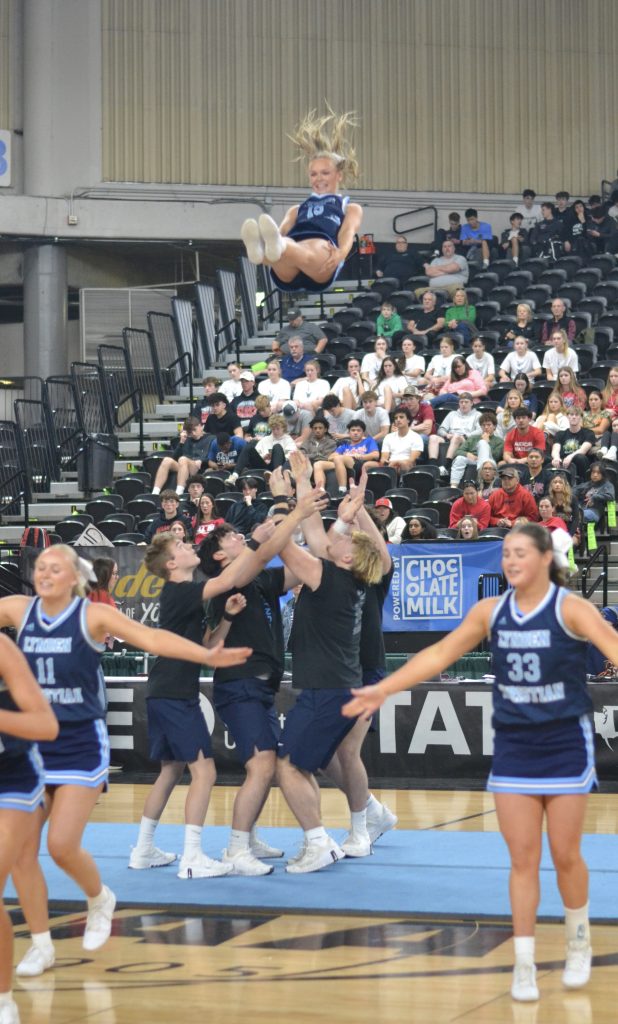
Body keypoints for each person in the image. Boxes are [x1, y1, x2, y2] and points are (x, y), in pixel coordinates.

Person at [343, 521, 616, 1002]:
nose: (510, 560)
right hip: (513, 746)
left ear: (545, 559)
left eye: (520, 553)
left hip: (564, 746)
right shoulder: (491, 611)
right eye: (506, 553)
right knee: (522, 859)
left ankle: (578, 940)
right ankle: (524, 962)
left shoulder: (572, 609)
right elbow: (438, 654)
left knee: (565, 854)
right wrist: (384, 688)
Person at [4, 545, 251, 980]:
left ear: (74, 578)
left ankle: (100, 898)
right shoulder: (18, 610)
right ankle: (41, 945)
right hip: (32, 746)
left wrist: (206, 655)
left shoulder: (93, 616)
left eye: (55, 568)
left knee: (61, 846)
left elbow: (153, 639)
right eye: (40, 567)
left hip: (79, 744)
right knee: (23, 851)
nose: (44, 573)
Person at [129, 493, 325, 882]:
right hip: (177, 691)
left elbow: (207, 646)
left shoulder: (189, 595)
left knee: (171, 771)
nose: (188, 544)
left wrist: (230, 618)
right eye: (181, 546)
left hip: (169, 688)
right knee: (205, 773)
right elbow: (232, 577)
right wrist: (264, 535)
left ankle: (143, 848)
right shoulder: (185, 590)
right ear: (172, 564)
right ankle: (194, 856)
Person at [198, 482, 324, 876]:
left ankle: (248, 838)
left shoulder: (258, 580)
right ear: (219, 555)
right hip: (240, 684)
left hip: (261, 686)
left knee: (267, 764)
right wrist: (293, 513)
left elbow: (299, 566)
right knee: (262, 765)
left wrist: (313, 526)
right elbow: (264, 552)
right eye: (231, 537)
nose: (240, 537)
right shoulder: (229, 582)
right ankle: (236, 849)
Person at [275, 489, 383, 873]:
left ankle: (323, 841)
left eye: (346, 540)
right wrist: (313, 495)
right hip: (338, 686)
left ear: (348, 557)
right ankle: (320, 839)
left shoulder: (327, 575)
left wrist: (283, 506)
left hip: (328, 689)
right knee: (304, 766)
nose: (339, 538)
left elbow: (285, 546)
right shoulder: (348, 577)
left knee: (290, 766)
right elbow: (323, 542)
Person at [0, 635, 59, 1024]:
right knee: (24, 860)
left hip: (12, 778)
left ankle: (4, 1000)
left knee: (26, 859)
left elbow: (45, 725)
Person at [241, 108, 363, 293]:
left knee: (305, 247)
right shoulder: (297, 210)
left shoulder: (349, 207)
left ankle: (274, 249)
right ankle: (260, 252)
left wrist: (341, 253)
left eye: (325, 173)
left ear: (339, 175)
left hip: (321, 259)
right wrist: (271, 243)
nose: (318, 178)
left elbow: (347, 231)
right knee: (281, 248)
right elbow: (278, 232)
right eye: (313, 174)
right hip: (290, 265)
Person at [151, 417, 212, 497]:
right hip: (184, 466)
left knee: (183, 459)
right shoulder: (187, 439)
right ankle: (155, 493)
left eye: (195, 430)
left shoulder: (210, 438)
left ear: (201, 426)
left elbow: (213, 457)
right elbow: (174, 458)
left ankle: (179, 493)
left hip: (199, 467)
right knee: (167, 460)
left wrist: (202, 461)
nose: (193, 433)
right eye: (190, 432)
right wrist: (181, 442)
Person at [314, 420, 379, 493]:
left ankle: (342, 489)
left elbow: (376, 455)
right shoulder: (345, 445)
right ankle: (321, 491)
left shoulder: (368, 441)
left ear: (363, 433)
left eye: (358, 430)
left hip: (359, 462)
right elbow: (330, 457)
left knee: (338, 458)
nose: (355, 433)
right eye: (353, 430)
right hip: (342, 462)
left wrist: (362, 456)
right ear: (349, 433)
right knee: (318, 464)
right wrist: (346, 456)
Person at [449, 411, 503, 487]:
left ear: (494, 426)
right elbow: (458, 451)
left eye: (489, 425)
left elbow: (496, 456)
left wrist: (487, 442)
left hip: (489, 462)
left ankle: (480, 477)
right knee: (459, 458)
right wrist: (467, 454)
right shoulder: (473, 438)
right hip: (474, 460)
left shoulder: (499, 441)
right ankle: (454, 486)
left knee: (482, 443)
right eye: (483, 425)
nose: (486, 427)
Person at [364, 408, 423, 475]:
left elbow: (411, 460)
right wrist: (389, 463)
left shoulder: (416, 437)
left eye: (401, 417)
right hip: (390, 464)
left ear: (408, 420)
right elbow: (383, 459)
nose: (398, 420)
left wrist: (397, 462)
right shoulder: (388, 437)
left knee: (403, 464)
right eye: (396, 418)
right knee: (367, 465)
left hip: (407, 465)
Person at [551, 407, 595, 481]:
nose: (574, 417)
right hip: (562, 460)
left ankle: (584, 482)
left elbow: (583, 450)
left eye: (577, 415)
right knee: (545, 459)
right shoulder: (560, 434)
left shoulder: (588, 433)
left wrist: (570, 457)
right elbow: (555, 449)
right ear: (567, 417)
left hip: (579, 461)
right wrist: (556, 458)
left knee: (580, 457)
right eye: (571, 415)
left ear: (581, 417)